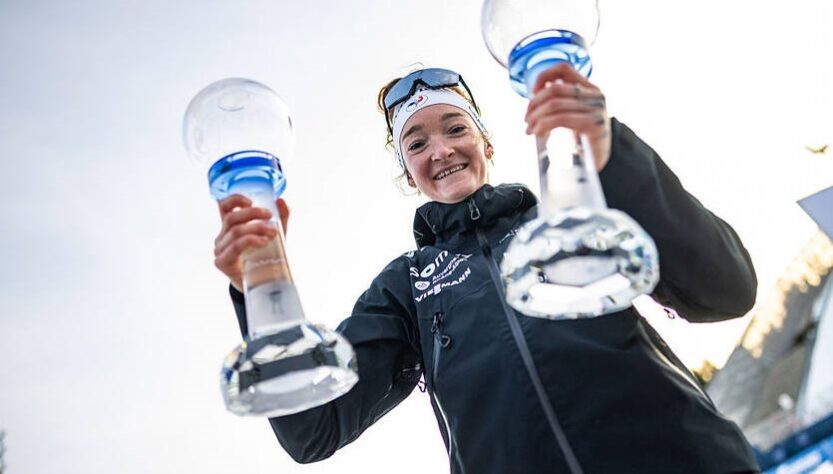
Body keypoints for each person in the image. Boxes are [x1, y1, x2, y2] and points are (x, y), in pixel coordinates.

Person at [212, 64, 761, 474]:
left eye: (455, 128)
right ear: (407, 171)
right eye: (417, 143)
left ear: (486, 141)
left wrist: (612, 154)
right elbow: (314, 429)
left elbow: (726, 289)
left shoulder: (570, 217)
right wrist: (259, 289)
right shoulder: (406, 286)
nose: (441, 150)